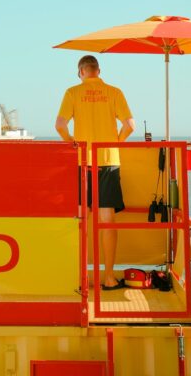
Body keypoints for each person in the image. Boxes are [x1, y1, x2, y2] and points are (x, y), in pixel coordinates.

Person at [55, 55, 135, 290]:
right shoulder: (114, 92)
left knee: (81, 221)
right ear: (98, 71)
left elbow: (60, 125)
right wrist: (116, 143)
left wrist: (72, 143)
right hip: (108, 161)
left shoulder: (72, 93)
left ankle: (79, 278)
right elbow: (130, 125)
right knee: (107, 221)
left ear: (80, 72)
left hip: (83, 162)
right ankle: (109, 277)